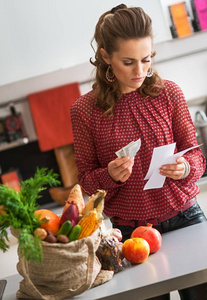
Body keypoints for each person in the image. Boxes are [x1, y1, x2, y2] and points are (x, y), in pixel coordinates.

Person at [70, 4, 207, 300]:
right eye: (129, 62)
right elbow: (85, 183)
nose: (140, 72)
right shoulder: (83, 111)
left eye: (147, 60)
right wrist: (108, 176)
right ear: (106, 56)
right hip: (129, 234)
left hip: (186, 219)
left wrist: (184, 168)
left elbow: (198, 158)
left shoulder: (170, 93)